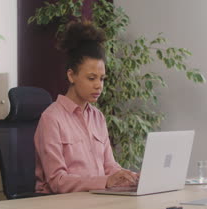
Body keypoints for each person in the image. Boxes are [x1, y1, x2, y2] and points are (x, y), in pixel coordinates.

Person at [34, 21, 139, 194]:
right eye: (91, 78)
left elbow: (109, 166)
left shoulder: (98, 117)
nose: (99, 85)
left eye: (102, 78)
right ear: (71, 75)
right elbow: (57, 181)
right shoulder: (51, 119)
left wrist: (129, 177)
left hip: (94, 202)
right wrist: (105, 182)